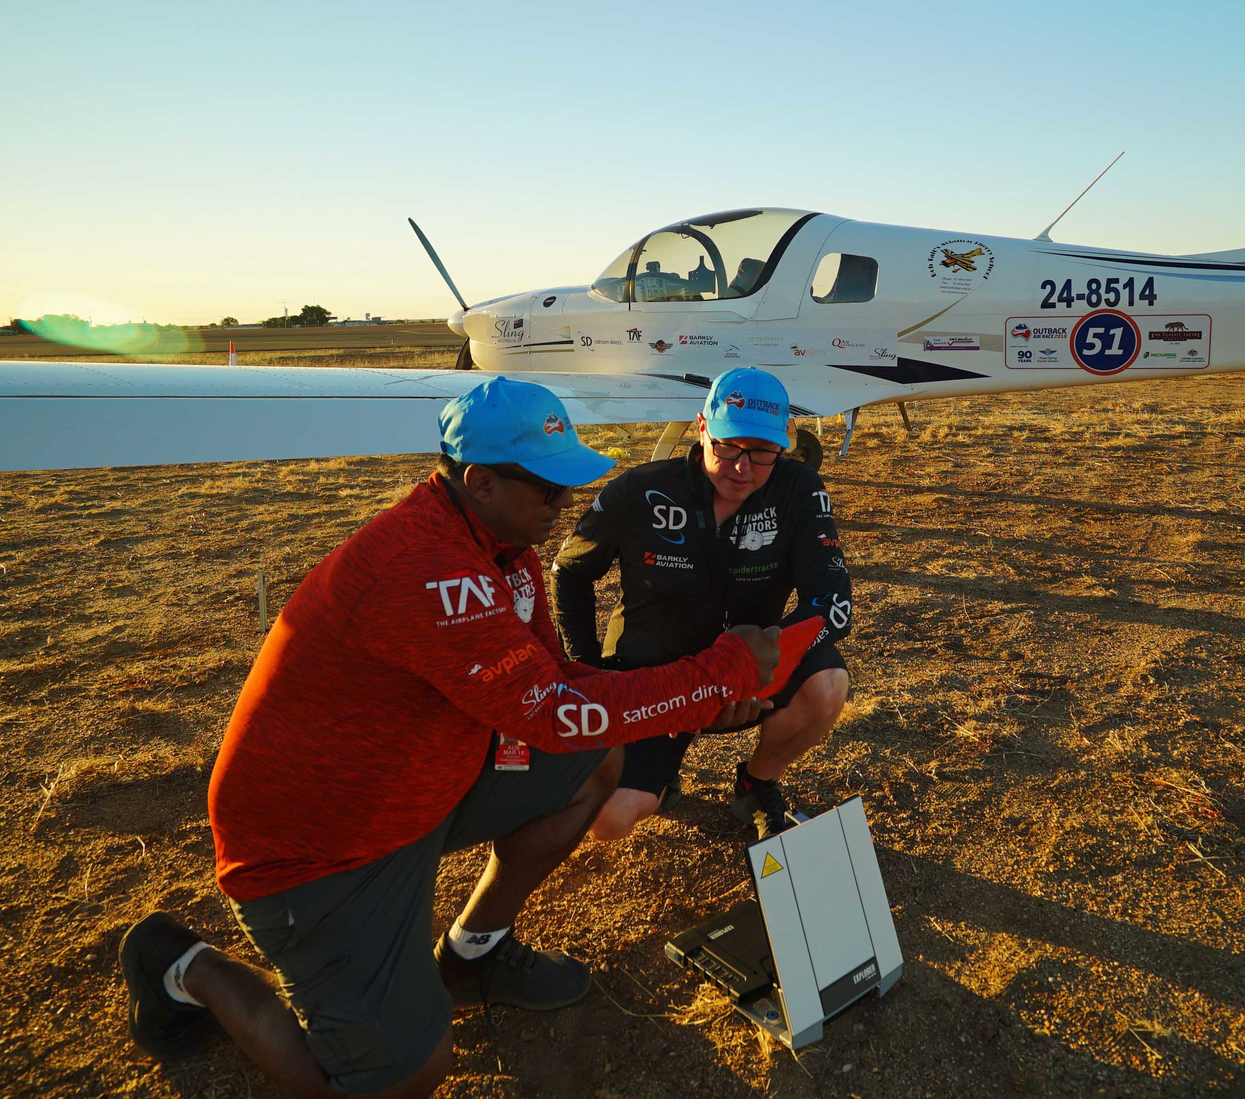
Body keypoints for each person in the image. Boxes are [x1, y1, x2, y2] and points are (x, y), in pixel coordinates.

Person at [116, 378, 817, 1097]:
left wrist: (700, 699)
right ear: (480, 482)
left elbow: (553, 686)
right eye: (548, 490)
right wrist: (715, 672)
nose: (563, 505)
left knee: (592, 760)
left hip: (407, 782)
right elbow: (553, 708)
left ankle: (473, 953)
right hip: (322, 845)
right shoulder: (428, 569)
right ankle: (185, 965)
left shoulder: (499, 546)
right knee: (405, 1075)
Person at [553, 367, 853, 842]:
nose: (742, 466)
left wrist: (755, 667)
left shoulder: (799, 488)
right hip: (651, 679)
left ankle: (757, 782)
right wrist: (590, 672)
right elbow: (569, 572)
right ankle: (659, 775)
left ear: (783, 445)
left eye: (761, 452)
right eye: (728, 447)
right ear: (701, 429)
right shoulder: (642, 489)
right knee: (608, 821)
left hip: (747, 677)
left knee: (829, 682)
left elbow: (832, 602)